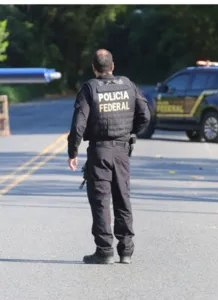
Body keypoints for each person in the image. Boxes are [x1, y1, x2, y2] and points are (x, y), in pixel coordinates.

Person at [67, 49, 151, 265]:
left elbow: (79, 124)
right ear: (112, 67)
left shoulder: (89, 88)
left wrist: (73, 151)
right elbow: (145, 115)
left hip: (99, 151)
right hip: (122, 150)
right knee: (123, 198)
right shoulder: (128, 84)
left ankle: (104, 251)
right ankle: (126, 251)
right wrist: (130, 133)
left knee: (101, 200)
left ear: (94, 68)